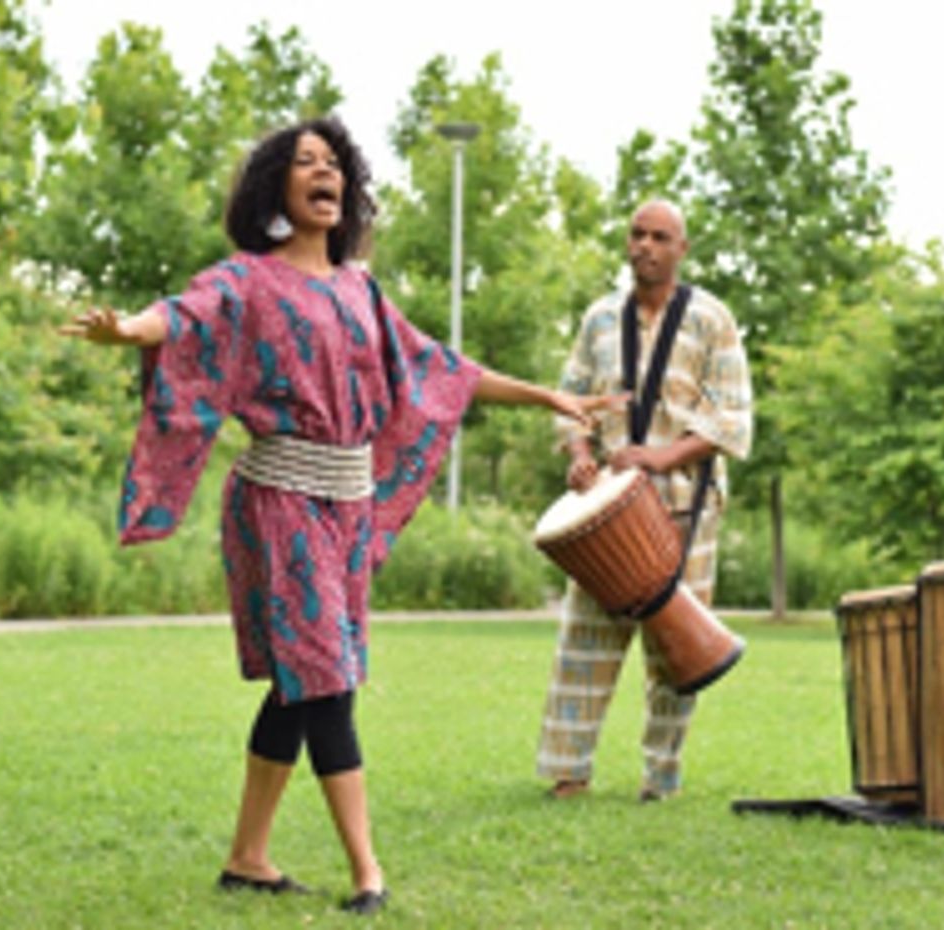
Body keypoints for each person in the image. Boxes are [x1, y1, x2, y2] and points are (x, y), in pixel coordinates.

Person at [61, 117, 617, 915]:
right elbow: (184, 317)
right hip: (279, 498)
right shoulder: (248, 280)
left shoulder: (361, 289)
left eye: (333, 163)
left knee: (301, 685)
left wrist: (546, 396)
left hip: (346, 511)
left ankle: (249, 856)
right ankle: (368, 872)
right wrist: (131, 330)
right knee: (327, 681)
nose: (323, 173)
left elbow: (440, 368)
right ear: (277, 190)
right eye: (303, 163)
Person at [535, 200, 753, 802]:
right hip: (607, 511)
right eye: (637, 234)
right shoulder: (600, 319)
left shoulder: (713, 320)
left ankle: (661, 778)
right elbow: (571, 399)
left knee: (677, 648)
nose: (646, 246)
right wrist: (580, 452)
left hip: (685, 504)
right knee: (585, 638)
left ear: (681, 249)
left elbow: (731, 421)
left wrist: (657, 458)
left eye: (660, 237)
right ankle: (568, 772)